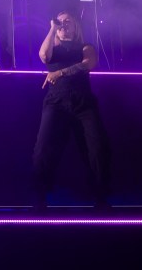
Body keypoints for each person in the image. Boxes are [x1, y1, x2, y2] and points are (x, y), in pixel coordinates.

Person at [33, 11, 110, 211]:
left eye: (68, 21)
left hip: (83, 103)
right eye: (60, 21)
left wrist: (61, 72)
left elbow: (88, 64)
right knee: (43, 148)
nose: (63, 24)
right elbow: (44, 56)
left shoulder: (85, 47)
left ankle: (100, 197)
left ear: (76, 26)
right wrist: (52, 28)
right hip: (56, 102)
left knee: (96, 148)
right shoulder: (54, 48)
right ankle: (40, 198)